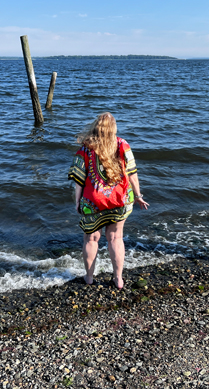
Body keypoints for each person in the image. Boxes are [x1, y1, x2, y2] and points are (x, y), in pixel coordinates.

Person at [68, 112, 149, 289]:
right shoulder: (123, 145)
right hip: (120, 200)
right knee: (115, 238)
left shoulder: (86, 148)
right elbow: (133, 174)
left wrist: (77, 201)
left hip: (93, 202)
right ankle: (118, 279)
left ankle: (89, 278)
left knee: (91, 239)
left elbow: (78, 180)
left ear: (96, 126)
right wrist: (138, 196)